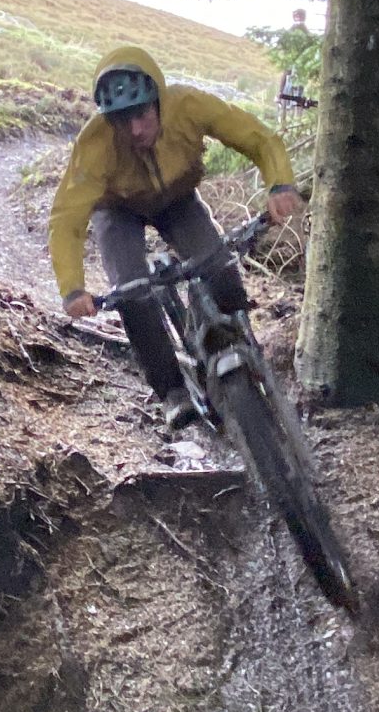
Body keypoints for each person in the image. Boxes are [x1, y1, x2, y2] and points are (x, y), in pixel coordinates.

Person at [49, 43, 300, 431]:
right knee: (132, 292)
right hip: (118, 211)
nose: (135, 130)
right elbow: (67, 218)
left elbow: (256, 137)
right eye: (121, 120)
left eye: (143, 115)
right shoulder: (94, 144)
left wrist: (279, 183)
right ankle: (171, 391)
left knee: (219, 266)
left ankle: (238, 339)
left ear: (159, 100)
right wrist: (72, 288)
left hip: (179, 198)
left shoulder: (188, 105)